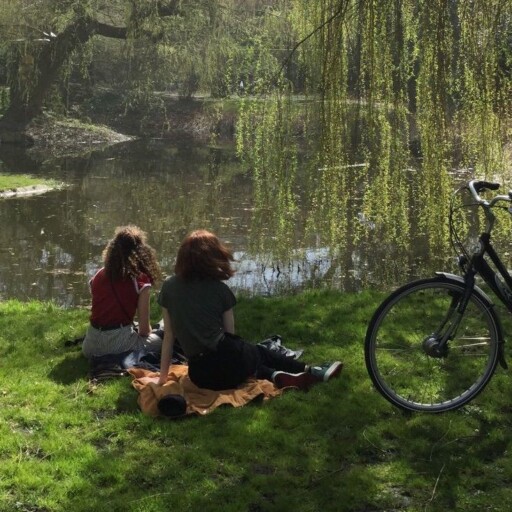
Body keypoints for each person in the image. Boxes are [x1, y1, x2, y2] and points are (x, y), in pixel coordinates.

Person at [157, 229, 342, 391]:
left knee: (247, 360)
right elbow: (231, 336)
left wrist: (162, 379)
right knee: (257, 352)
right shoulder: (220, 290)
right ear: (213, 256)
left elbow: (169, 336)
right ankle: (309, 369)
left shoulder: (168, 287)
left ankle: (275, 375)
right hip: (228, 362)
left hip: (201, 376)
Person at [82, 225, 163, 359]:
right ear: (141, 253)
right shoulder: (140, 280)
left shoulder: (97, 276)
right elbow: (144, 331)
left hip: (90, 345)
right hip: (117, 345)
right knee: (161, 338)